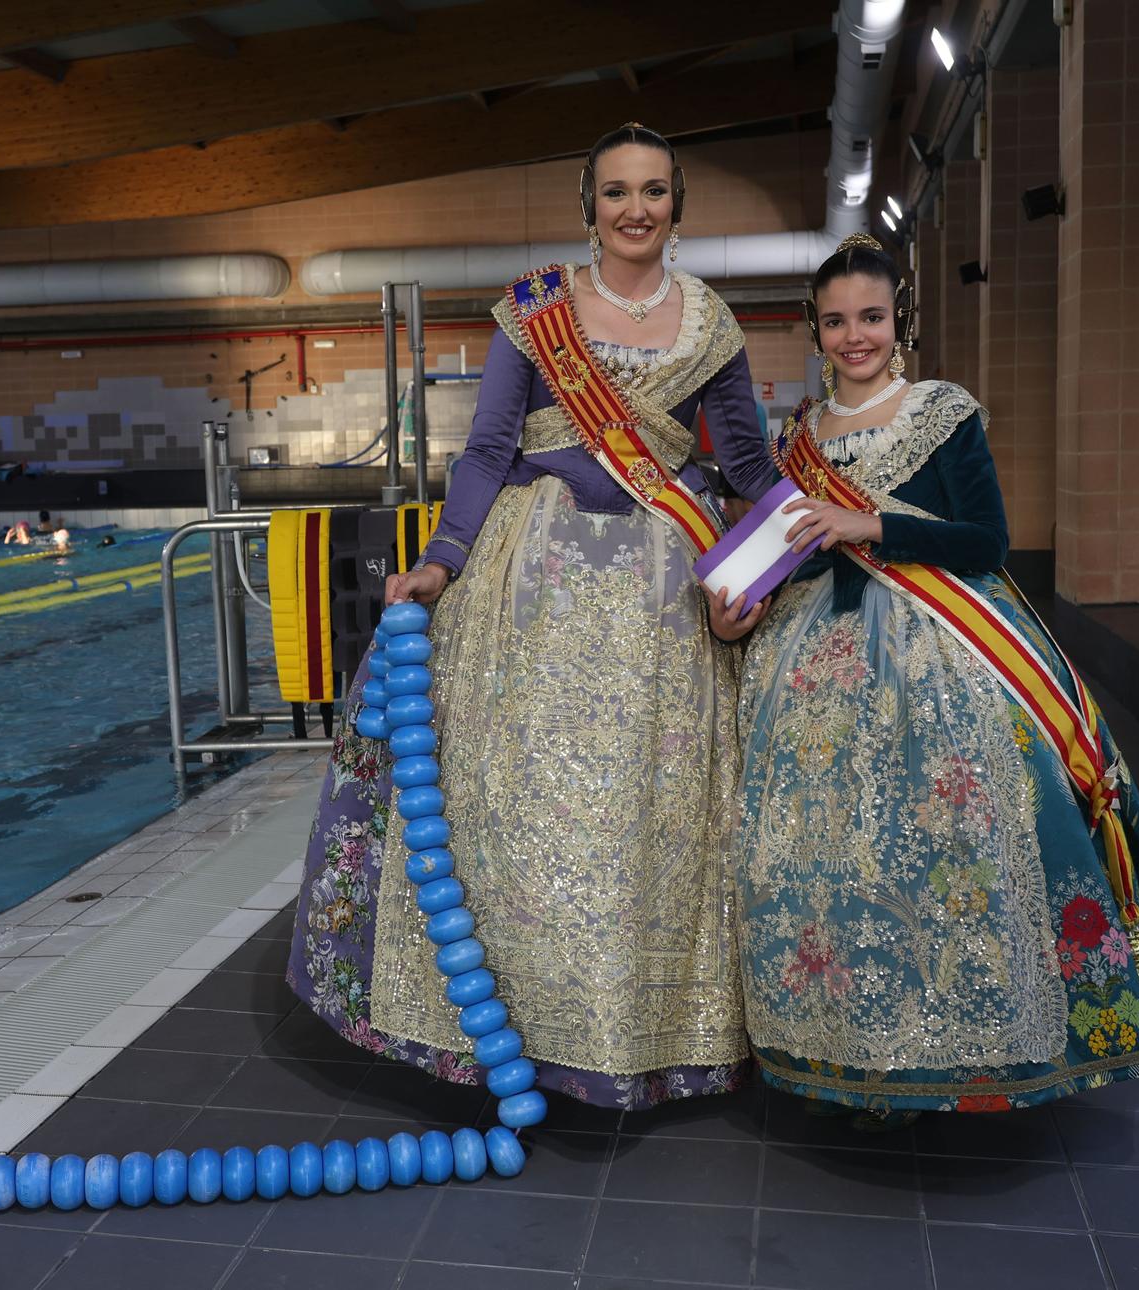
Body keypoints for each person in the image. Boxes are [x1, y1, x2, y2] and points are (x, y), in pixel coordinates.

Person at [287, 123, 774, 1110]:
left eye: (651, 191)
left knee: (647, 812)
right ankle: (514, 1030)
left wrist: (793, 555)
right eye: (613, 192)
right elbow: (483, 452)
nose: (633, 208)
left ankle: (645, 1031)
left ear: (676, 204)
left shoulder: (713, 324)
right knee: (516, 806)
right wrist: (438, 560)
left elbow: (751, 474)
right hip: (530, 578)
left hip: (663, 596)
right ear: (585, 208)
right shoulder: (533, 311)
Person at [714, 234, 1139, 1127]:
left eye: (870, 317)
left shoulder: (941, 410)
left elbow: (985, 540)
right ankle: (841, 1038)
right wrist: (739, 606)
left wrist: (867, 521)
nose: (854, 337)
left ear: (898, 319)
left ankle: (975, 1045)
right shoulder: (799, 435)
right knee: (825, 858)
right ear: (816, 330)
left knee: (950, 845)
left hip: (939, 650)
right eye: (835, 322)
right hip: (812, 666)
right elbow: (793, 555)